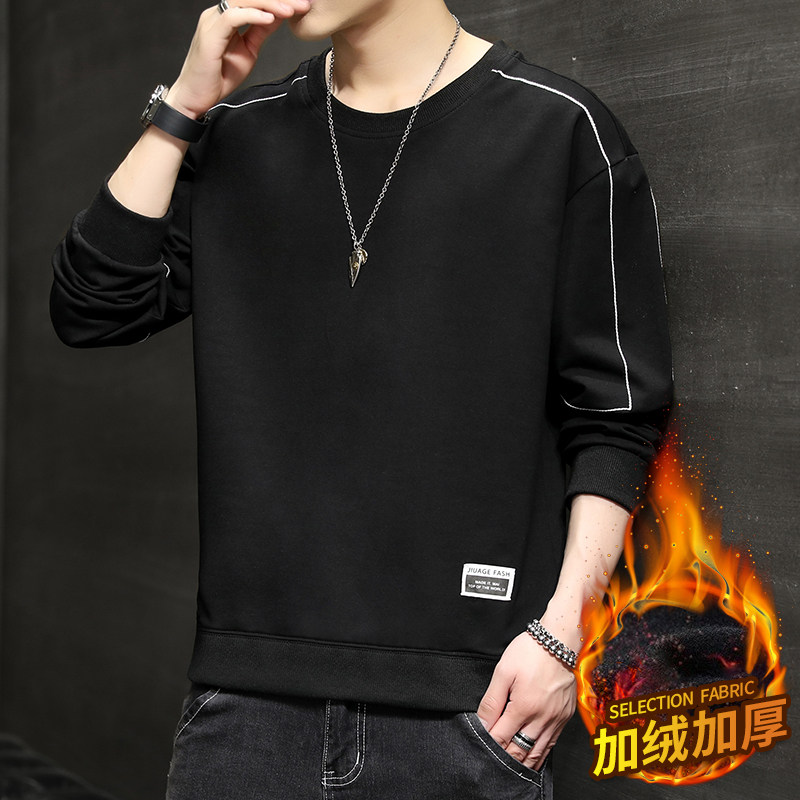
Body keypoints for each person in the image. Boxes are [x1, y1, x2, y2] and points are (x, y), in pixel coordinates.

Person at [50, 0, 673, 797]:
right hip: (245, 709)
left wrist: (562, 636)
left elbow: (617, 414)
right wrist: (182, 108)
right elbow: (93, 308)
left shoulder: (558, 129)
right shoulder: (240, 132)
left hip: (471, 713)